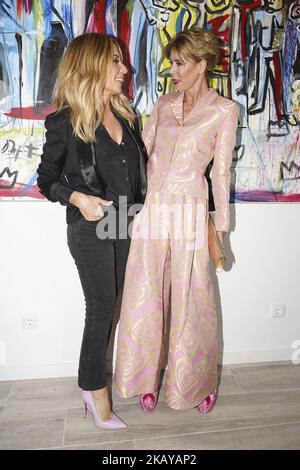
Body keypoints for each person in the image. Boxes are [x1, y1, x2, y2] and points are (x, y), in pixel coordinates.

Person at [114, 28, 239, 413]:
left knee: (192, 300)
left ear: (202, 65)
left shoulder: (224, 111)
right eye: (172, 63)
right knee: (145, 295)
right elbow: (142, 157)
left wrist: (220, 230)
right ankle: (144, 378)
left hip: (190, 210)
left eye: (180, 63)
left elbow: (220, 174)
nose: (173, 70)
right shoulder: (163, 104)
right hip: (154, 209)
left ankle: (197, 384)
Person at [36, 33, 147, 429]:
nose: (124, 69)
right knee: (101, 310)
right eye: (115, 62)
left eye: (122, 62)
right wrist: (77, 198)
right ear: (92, 66)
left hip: (125, 222)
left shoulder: (128, 117)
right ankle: (94, 391)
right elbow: (45, 179)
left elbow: (136, 175)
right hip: (89, 226)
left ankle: (95, 382)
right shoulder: (64, 122)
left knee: (113, 309)